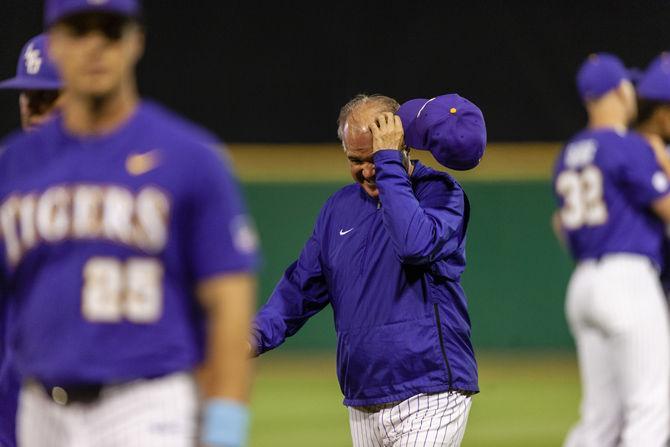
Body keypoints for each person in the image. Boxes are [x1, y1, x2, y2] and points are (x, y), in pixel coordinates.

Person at [0, 1, 259, 446]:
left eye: (111, 31)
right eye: (79, 30)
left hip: (147, 402)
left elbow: (230, 299)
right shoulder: (15, 167)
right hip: (39, 409)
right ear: (55, 43)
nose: (96, 45)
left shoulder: (189, 158)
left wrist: (224, 427)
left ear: (136, 41)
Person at [252, 93, 484, 447]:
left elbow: (414, 245)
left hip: (432, 388)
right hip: (363, 397)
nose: (367, 169)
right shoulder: (338, 209)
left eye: (374, 156)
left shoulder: (439, 193)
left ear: (400, 143)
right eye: (355, 159)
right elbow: (299, 290)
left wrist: (389, 160)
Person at [553, 53, 670, 447]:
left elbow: (560, 225)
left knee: (600, 420)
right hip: (628, 280)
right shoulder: (628, 147)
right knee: (651, 410)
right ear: (621, 91)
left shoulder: (569, 153)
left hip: (584, 281)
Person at [0, 32, 64, 447]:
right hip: (12, 392)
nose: (37, 113)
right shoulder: (7, 172)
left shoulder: (125, 184)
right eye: (29, 100)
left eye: (49, 99)